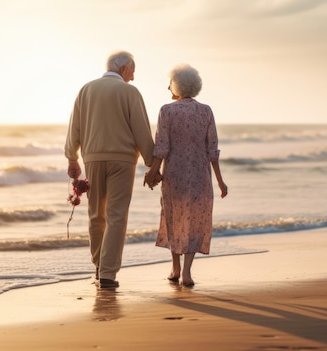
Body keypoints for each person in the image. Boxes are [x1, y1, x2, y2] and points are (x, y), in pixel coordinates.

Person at [65, 50, 156, 289]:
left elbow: (74, 126)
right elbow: (141, 129)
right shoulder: (129, 92)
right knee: (116, 216)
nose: (133, 77)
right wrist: (152, 161)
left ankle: (98, 265)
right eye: (133, 72)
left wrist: (71, 158)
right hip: (122, 161)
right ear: (125, 69)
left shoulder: (86, 90)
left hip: (93, 159)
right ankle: (107, 273)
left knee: (96, 215)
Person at [144, 63, 228, 288]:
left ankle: (175, 268)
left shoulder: (167, 111)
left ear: (177, 85)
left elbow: (161, 148)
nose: (168, 87)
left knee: (174, 219)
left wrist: (152, 172)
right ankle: (187, 272)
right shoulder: (206, 111)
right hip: (200, 175)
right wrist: (220, 180)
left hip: (175, 176)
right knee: (195, 221)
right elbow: (213, 150)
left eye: (169, 83)